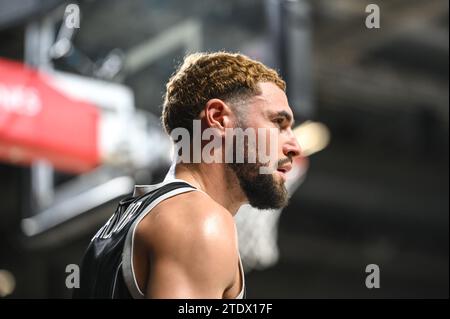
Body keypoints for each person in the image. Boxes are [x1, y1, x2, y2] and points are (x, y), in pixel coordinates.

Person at [74, 51, 301, 299]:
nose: (294, 146)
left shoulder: (117, 225)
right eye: (278, 123)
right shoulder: (200, 221)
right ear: (218, 118)